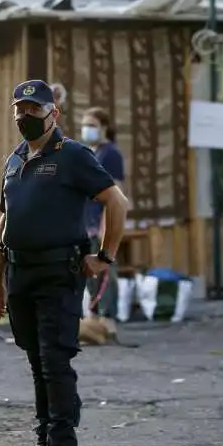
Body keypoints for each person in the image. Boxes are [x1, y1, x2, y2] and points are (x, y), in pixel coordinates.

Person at [0, 80, 129, 446]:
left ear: (54, 113)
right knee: (36, 362)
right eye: (19, 108)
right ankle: (44, 444)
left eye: (33, 109)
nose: (24, 116)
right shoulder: (14, 159)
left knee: (54, 361)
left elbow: (115, 202)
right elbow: (4, 221)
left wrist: (104, 257)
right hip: (20, 274)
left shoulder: (73, 156)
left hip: (58, 274)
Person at [81, 107, 126, 321]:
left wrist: (106, 225)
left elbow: (115, 194)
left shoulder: (110, 154)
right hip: (86, 223)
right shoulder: (90, 152)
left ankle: (108, 317)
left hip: (101, 223)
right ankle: (95, 315)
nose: (87, 129)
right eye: (85, 125)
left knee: (105, 271)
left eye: (92, 126)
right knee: (90, 272)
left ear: (104, 128)